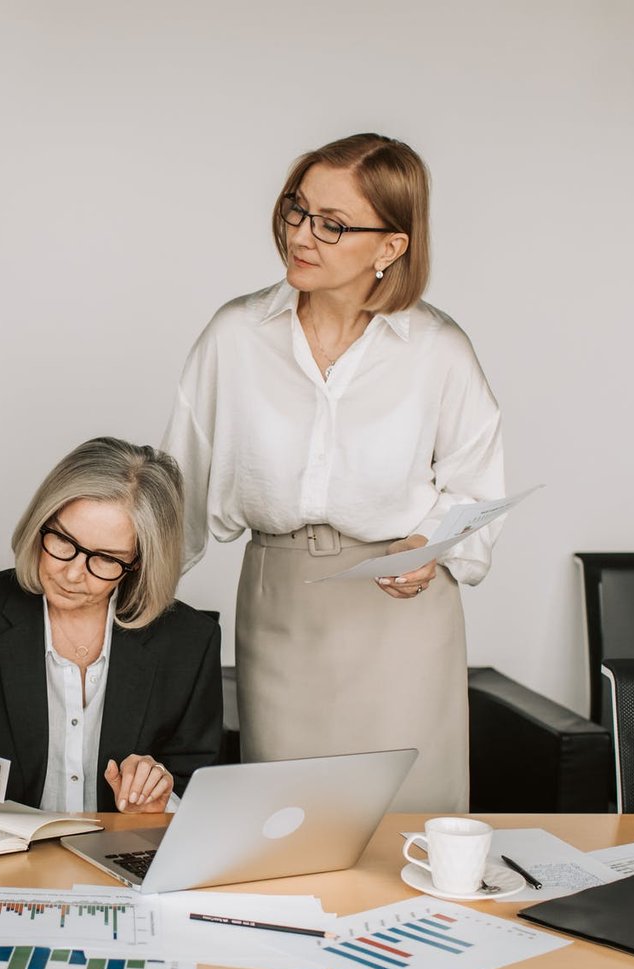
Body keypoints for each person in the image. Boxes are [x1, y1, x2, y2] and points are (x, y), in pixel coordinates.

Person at [162, 134, 504, 811]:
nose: (302, 235)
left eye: (332, 224)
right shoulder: (235, 335)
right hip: (281, 605)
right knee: (284, 825)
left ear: (391, 246)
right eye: (297, 210)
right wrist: (120, 598)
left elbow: (477, 489)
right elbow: (179, 488)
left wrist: (429, 545)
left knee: (406, 822)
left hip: (401, 617)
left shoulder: (438, 350)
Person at [0, 438, 223, 815]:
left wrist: (160, 802)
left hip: (119, 863)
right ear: (41, 521)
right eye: (63, 541)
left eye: (106, 559)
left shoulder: (190, 642)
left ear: (139, 562)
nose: (73, 573)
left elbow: (202, 788)